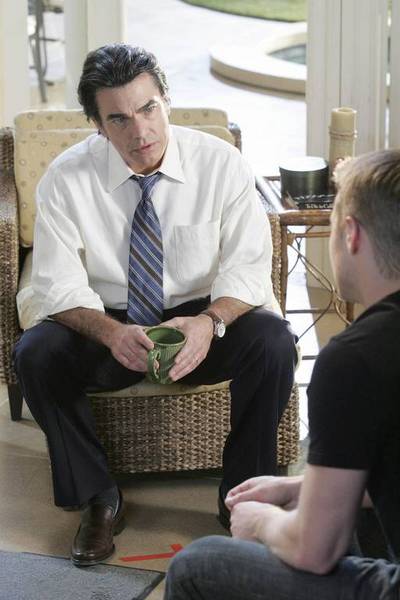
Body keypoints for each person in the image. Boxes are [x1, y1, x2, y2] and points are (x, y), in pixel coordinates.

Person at [12, 44, 297, 567]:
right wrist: (108, 332)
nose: (140, 131)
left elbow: (249, 267)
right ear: (97, 125)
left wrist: (210, 322)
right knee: (36, 352)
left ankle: (242, 496)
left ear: (166, 100)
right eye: (118, 119)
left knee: (274, 342)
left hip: (199, 319)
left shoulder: (222, 164)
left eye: (148, 109)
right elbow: (57, 284)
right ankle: (99, 498)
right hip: (109, 322)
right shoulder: (66, 177)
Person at [164, 149, 400, 600]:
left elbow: (314, 551)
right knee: (350, 513)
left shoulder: (354, 360)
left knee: (199, 564)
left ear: (351, 235)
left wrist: (262, 522)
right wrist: (299, 488)